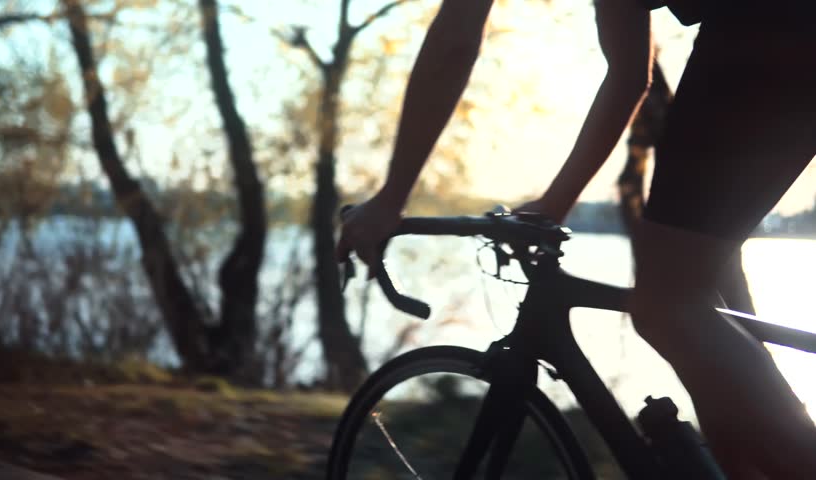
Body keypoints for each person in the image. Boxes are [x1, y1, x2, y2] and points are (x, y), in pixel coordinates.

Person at [335, 0, 816, 477]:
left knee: (667, 302)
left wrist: (391, 198)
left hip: (770, 27)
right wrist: (552, 206)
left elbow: (453, 45)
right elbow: (629, 74)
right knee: (690, 309)